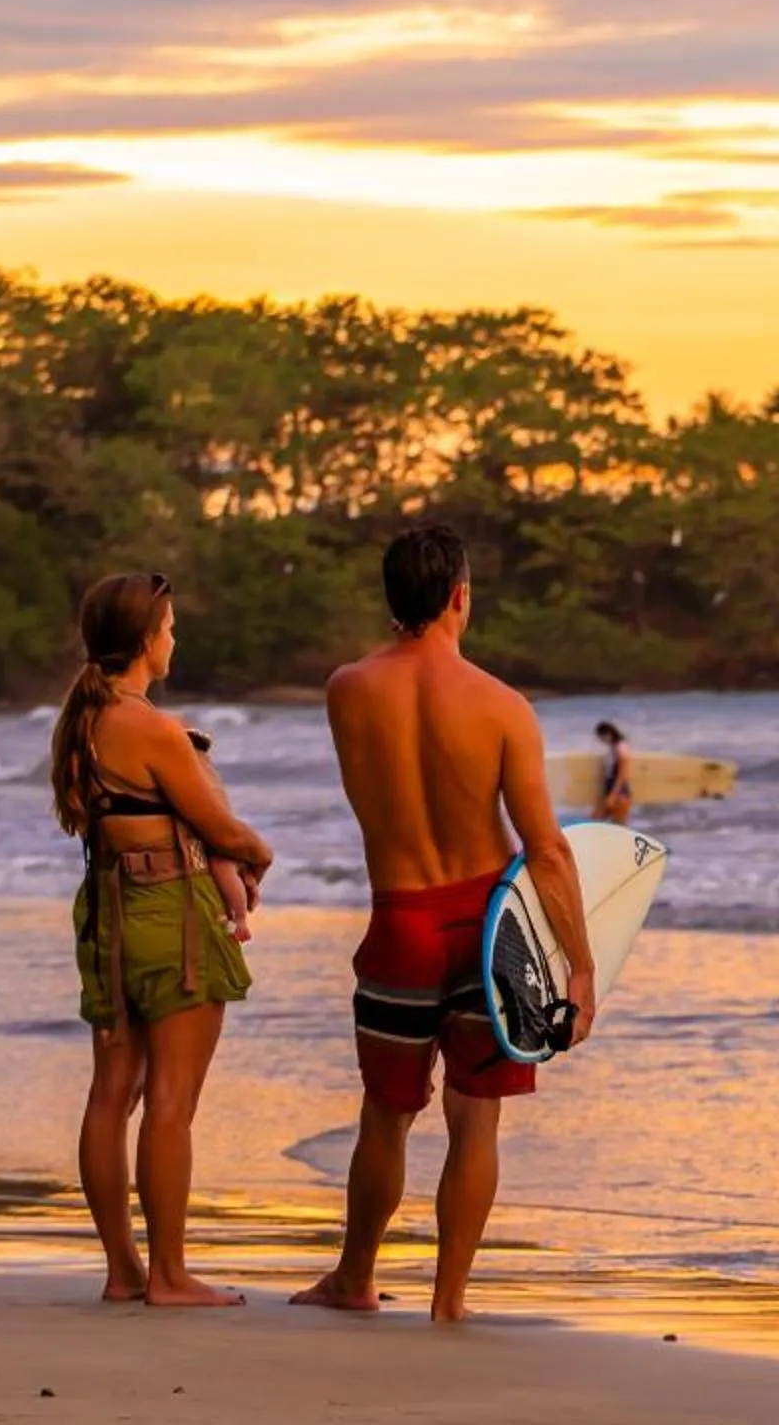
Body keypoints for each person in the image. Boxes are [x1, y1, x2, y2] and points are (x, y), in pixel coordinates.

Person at [291, 525, 597, 1322]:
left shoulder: (347, 689)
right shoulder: (501, 706)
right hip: (485, 927)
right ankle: (448, 1301)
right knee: (474, 1116)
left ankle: (354, 1279)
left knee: (386, 1114)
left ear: (393, 600)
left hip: (399, 921)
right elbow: (548, 851)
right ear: (462, 595)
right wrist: (581, 967)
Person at [50, 571, 276, 1308]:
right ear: (147, 640)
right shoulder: (150, 726)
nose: (174, 639)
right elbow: (218, 825)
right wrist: (262, 853)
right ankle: (171, 1276)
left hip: (109, 909)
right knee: (172, 1101)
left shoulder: (82, 722)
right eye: (170, 628)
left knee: (111, 1096)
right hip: (168, 910)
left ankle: (123, 1269)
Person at [593, 719, 632, 825]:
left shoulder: (620, 747)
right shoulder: (614, 747)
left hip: (618, 792)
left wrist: (613, 795)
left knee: (618, 825)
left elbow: (622, 773)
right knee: (599, 820)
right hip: (613, 789)